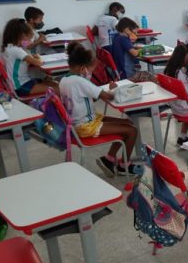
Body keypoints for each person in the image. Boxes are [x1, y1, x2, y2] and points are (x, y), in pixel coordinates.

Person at [59, 42, 138, 176]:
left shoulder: (64, 80)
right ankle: (124, 166)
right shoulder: (80, 81)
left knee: (127, 123)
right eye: (91, 70)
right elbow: (108, 97)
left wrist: (107, 91)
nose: (91, 73)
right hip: (86, 126)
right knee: (132, 130)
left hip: (79, 123)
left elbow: (91, 97)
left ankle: (109, 159)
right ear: (83, 68)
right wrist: (115, 90)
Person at [1, 18, 58, 97]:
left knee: (54, 83)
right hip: (22, 86)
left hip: (22, 83)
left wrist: (32, 56)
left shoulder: (10, 47)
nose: (30, 41)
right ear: (22, 35)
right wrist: (37, 56)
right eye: (30, 37)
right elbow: (39, 63)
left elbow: (28, 51)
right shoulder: (17, 50)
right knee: (57, 89)